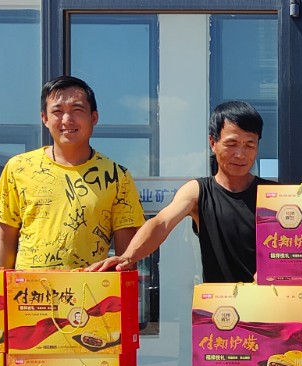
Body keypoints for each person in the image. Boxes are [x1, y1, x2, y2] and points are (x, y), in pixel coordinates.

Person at [89, 101, 265, 282]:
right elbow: (161, 223)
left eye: (249, 145)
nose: (240, 154)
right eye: (231, 144)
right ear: (213, 143)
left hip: (271, 297)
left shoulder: (274, 195)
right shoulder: (198, 191)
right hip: (219, 299)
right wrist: (128, 257)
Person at [0, 76, 145, 270]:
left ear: (94, 117)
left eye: (77, 110)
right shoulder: (18, 167)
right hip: (27, 288)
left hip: (90, 287)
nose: (67, 120)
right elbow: (4, 240)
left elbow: (125, 257)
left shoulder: (117, 176)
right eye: (57, 111)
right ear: (45, 118)